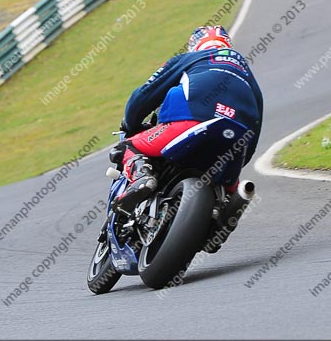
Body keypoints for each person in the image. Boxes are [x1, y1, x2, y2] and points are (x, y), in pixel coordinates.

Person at [110, 25, 263, 212]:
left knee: (126, 147)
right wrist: (241, 158)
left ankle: (142, 179)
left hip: (189, 124)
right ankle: (225, 218)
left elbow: (143, 96)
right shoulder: (248, 74)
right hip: (236, 142)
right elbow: (256, 124)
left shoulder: (190, 58)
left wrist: (130, 123)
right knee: (230, 194)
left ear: (194, 45)